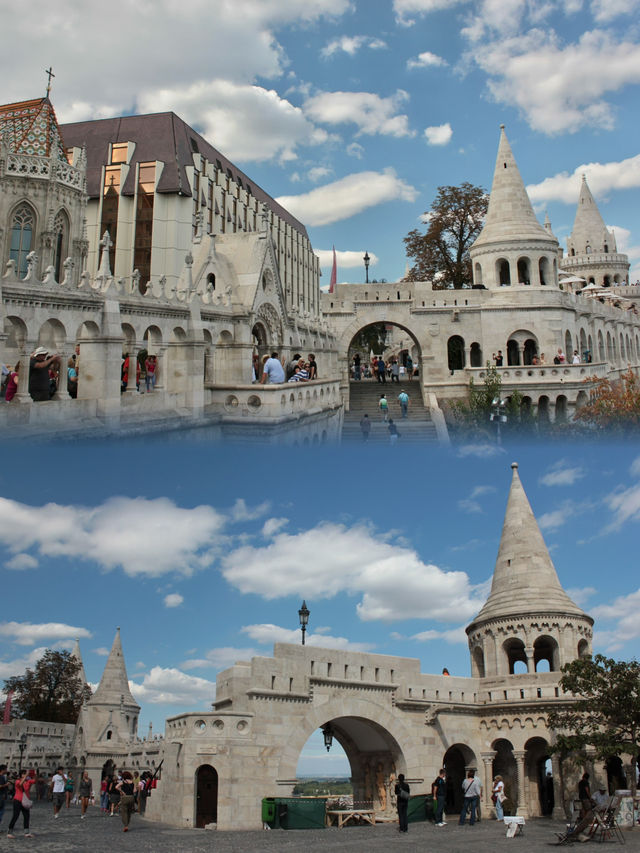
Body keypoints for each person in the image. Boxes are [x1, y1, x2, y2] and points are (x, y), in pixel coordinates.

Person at [7, 768, 34, 839]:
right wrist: (25, 776)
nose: (26, 775)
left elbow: (35, 781)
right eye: (24, 774)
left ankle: (27, 832)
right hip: (17, 800)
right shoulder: (17, 781)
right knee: (15, 816)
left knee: (26, 816)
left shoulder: (28, 781)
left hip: (25, 801)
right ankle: (10, 832)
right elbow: (20, 784)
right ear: (21, 775)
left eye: (26, 773)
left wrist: (34, 774)